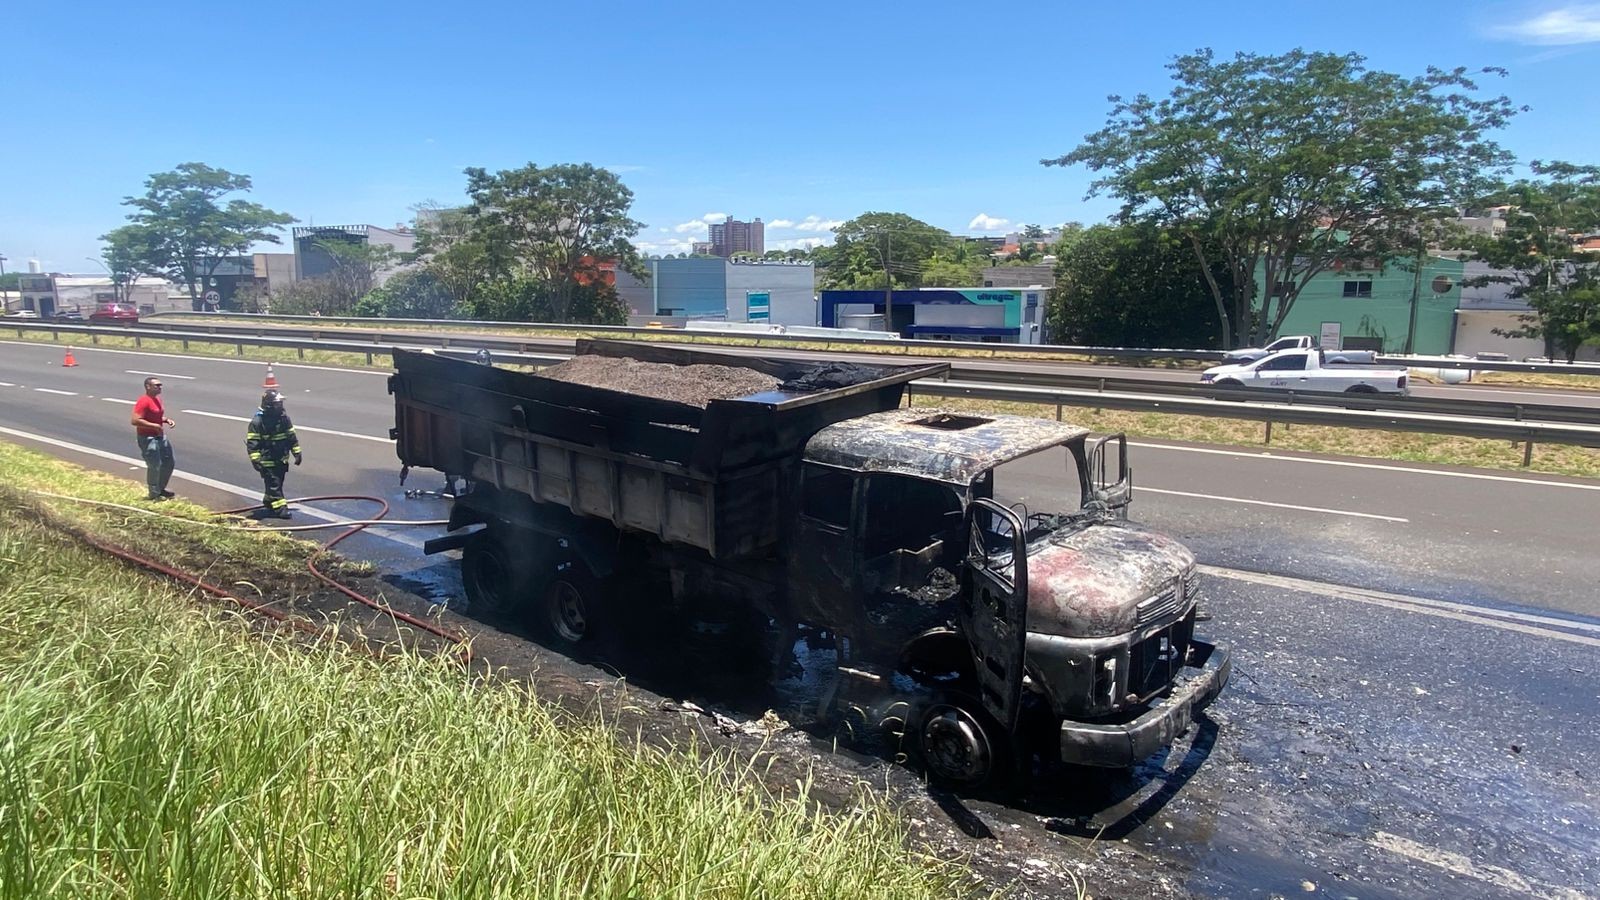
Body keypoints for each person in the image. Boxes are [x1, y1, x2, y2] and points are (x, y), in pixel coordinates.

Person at [246, 390, 302, 519]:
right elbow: (253, 443)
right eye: (277, 404)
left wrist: (297, 452)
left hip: (281, 459)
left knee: (277, 483)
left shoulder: (284, 419)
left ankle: (268, 500)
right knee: (274, 484)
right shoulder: (258, 422)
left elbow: (291, 436)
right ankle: (280, 509)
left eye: (280, 403)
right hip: (267, 460)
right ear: (269, 405)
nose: (280, 406)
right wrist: (255, 460)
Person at [130, 376, 176, 501]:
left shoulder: (157, 400)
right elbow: (135, 420)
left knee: (168, 463)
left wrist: (165, 420)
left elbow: (154, 416)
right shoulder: (144, 401)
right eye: (157, 385)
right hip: (148, 438)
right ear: (148, 387)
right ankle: (154, 493)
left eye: (160, 385)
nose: (160, 387)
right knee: (155, 465)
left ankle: (161, 488)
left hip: (159, 435)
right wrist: (154, 426)